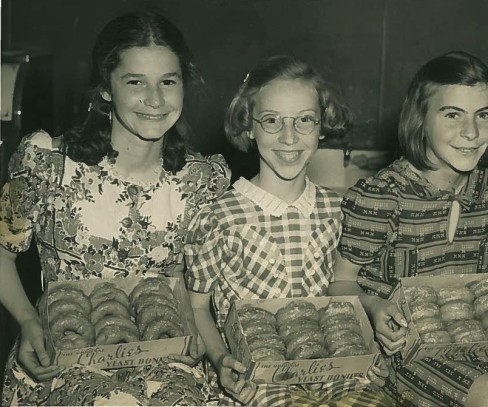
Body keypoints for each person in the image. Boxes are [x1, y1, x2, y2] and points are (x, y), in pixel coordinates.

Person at [0, 10, 230, 406]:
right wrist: (27, 321)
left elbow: (198, 293)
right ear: (106, 88)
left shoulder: (204, 179)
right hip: (63, 363)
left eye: (168, 82)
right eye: (135, 82)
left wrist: (193, 327)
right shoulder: (45, 163)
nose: (155, 100)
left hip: (171, 364)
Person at [328, 51, 488, 407]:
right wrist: (375, 308)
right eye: (453, 114)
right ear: (420, 119)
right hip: (404, 350)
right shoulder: (384, 195)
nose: (470, 132)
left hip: (471, 338)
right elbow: (339, 283)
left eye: (482, 114)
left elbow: (486, 268)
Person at [184, 55, 392, 406]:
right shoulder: (218, 218)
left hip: (332, 373)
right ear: (248, 126)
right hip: (256, 381)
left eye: (305, 120)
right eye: (271, 120)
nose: (289, 137)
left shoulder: (338, 209)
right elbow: (197, 307)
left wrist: (369, 349)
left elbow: (347, 294)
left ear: (322, 126)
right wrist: (221, 360)